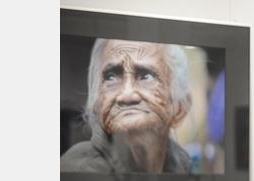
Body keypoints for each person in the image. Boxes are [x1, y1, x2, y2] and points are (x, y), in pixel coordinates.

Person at [61, 38, 193, 173]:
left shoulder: (182, 166)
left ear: (180, 108)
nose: (126, 95)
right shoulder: (75, 169)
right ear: (97, 105)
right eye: (111, 77)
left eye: (146, 76)